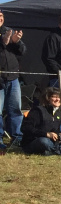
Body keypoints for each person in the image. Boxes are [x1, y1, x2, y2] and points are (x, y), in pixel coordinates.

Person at [21, 87, 61, 156]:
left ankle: (54, 152)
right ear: (48, 98)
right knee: (43, 141)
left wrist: (59, 135)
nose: (57, 99)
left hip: (52, 141)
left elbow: (56, 130)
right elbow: (26, 128)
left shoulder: (59, 112)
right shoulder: (38, 111)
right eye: (54, 97)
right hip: (35, 140)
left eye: (59, 97)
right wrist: (46, 134)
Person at [0, 11, 26, 148]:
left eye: (1, 17)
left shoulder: (9, 31)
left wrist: (16, 42)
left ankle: (17, 138)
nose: (0, 19)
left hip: (13, 77)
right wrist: (3, 43)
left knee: (15, 109)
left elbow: (22, 51)